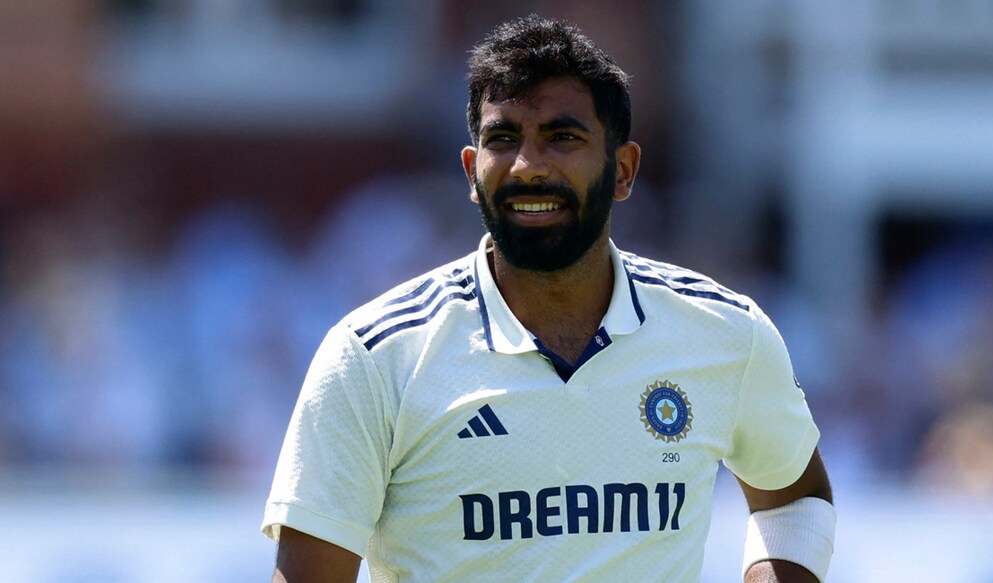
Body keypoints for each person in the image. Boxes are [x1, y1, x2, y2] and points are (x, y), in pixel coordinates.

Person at [262, 14, 835, 583]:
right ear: (471, 170)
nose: (528, 167)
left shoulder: (723, 331)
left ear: (623, 170)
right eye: (503, 139)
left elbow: (795, 498)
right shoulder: (374, 357)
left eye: (563, 137)